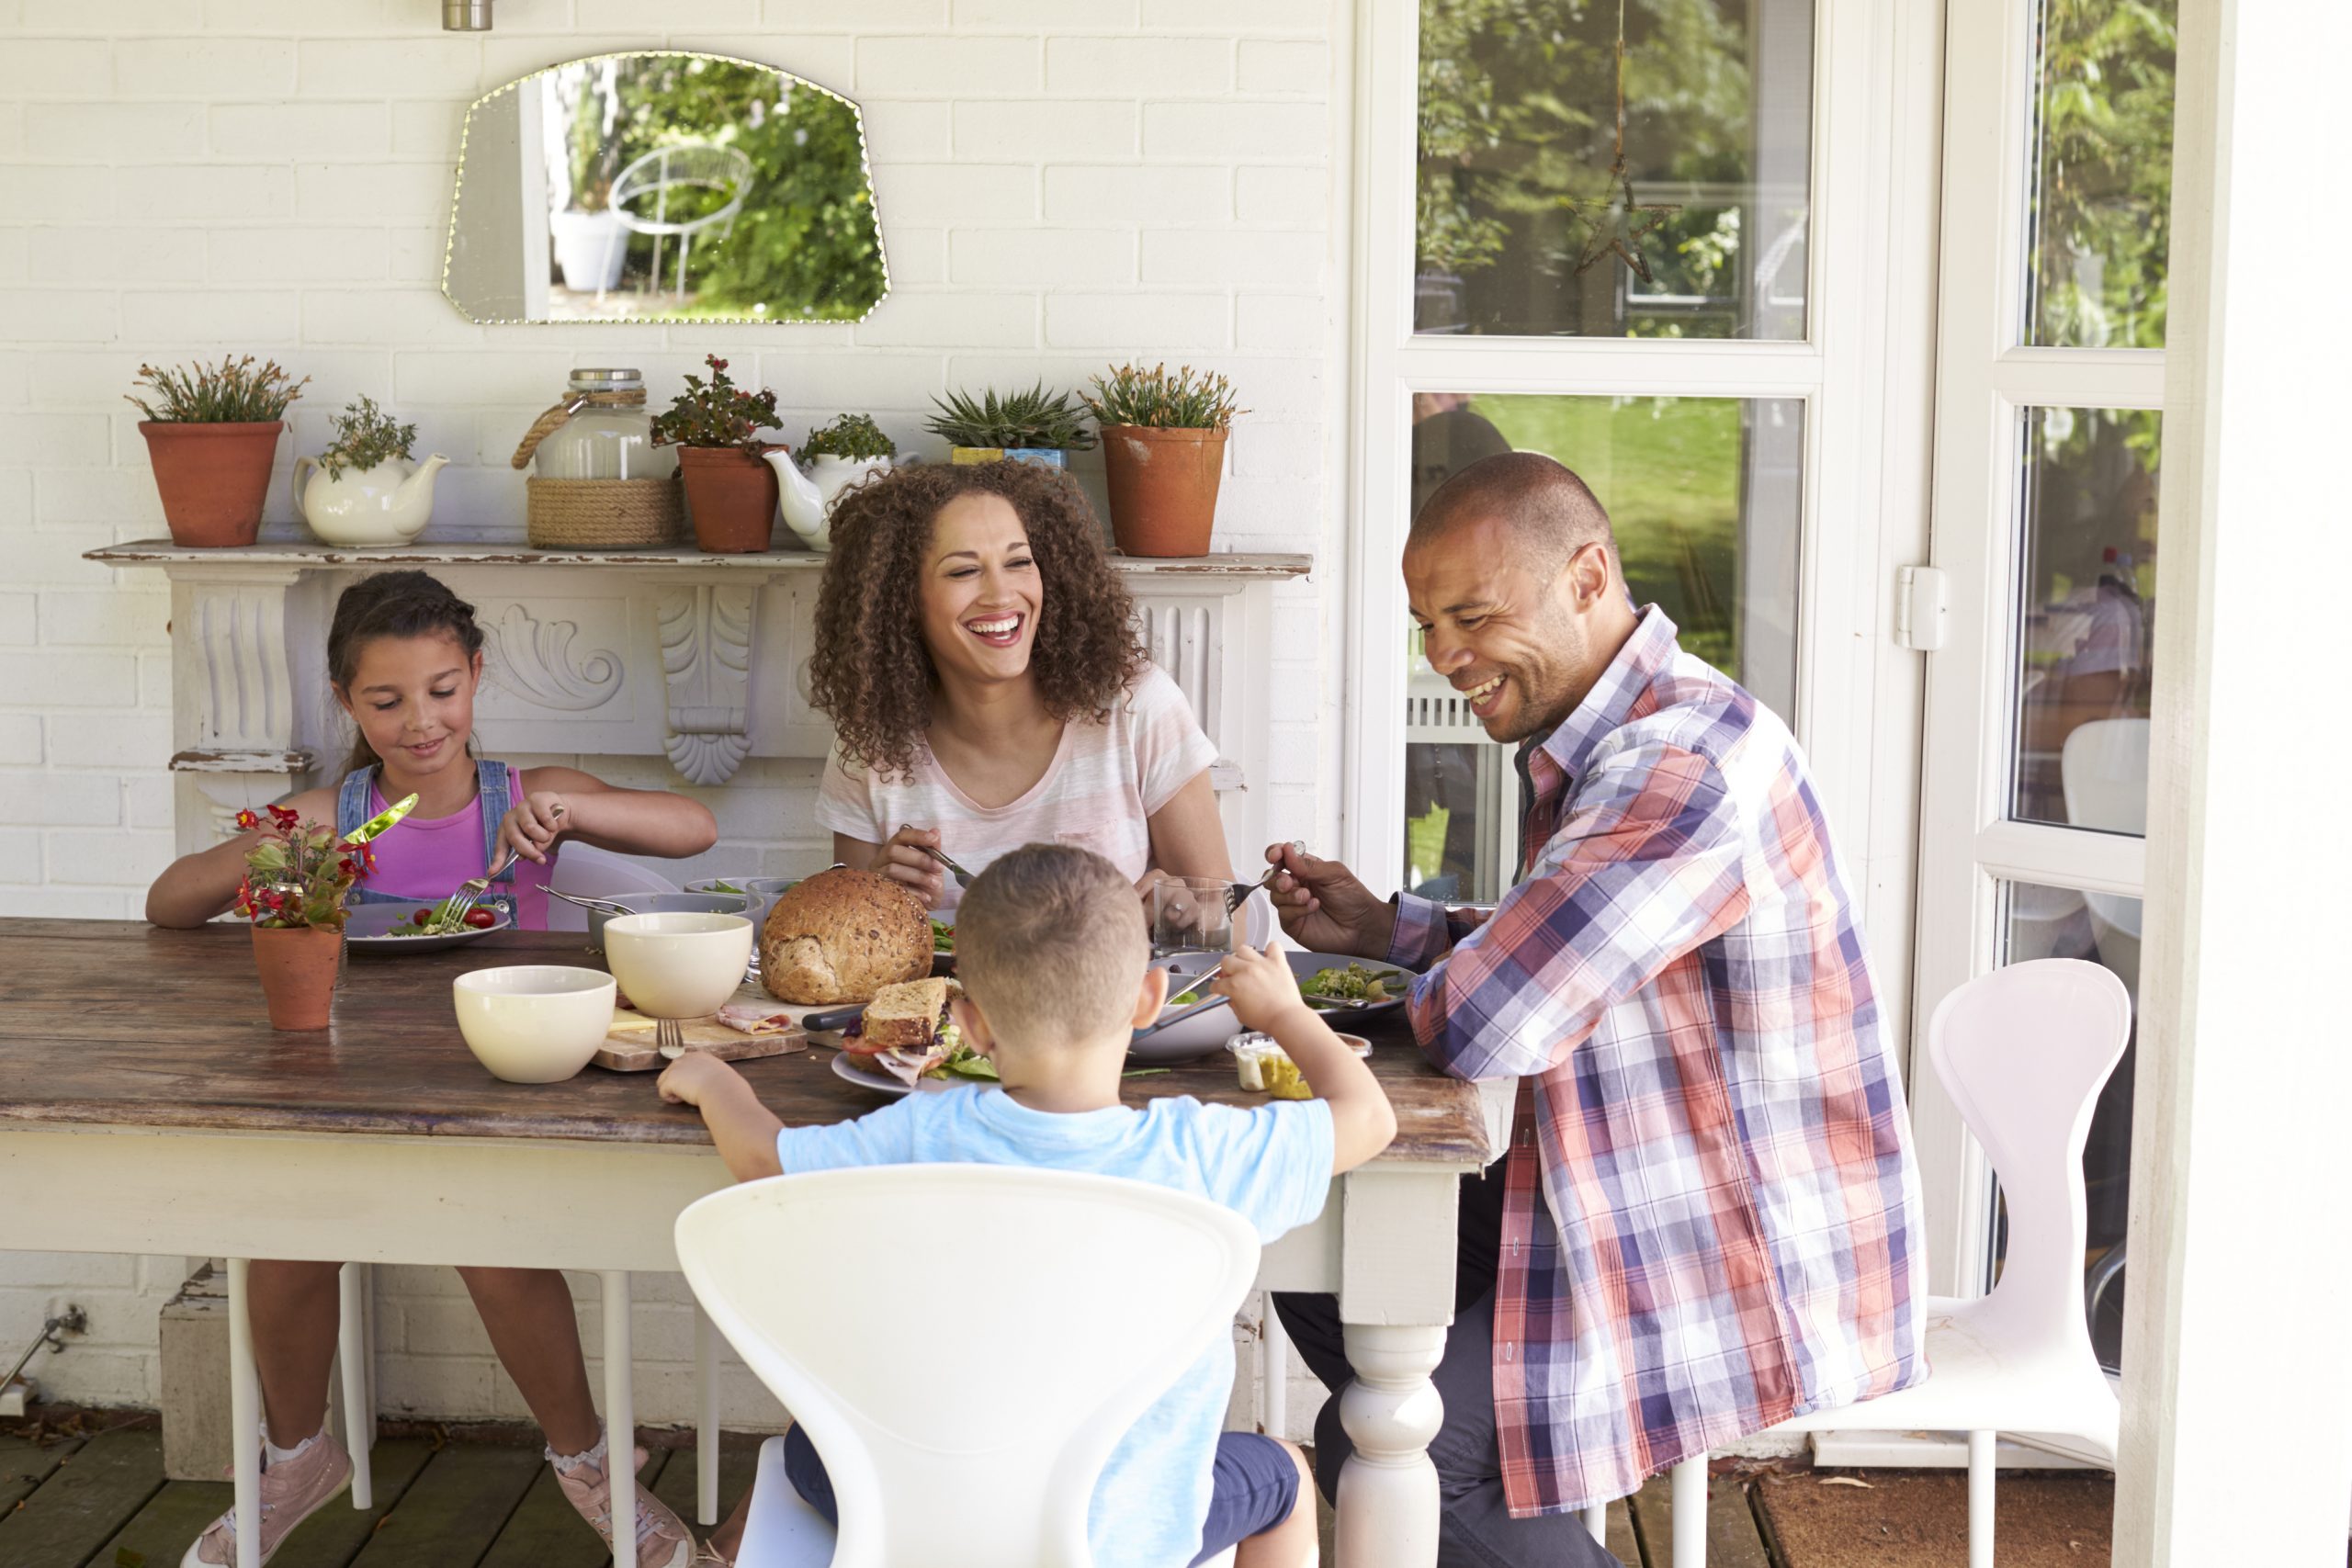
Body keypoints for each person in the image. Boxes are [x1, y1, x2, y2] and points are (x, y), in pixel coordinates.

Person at [1264, 452, 1926, 1567]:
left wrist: (1312, 1001)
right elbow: (1571, 947)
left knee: (1406, 1448)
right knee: (1324, 1254)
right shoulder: (1625, 739)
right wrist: (1392, 929)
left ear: (1586, 576)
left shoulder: (1678, 764)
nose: (1443, 656)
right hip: (1620, 1186)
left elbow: (1493, 1021)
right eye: (1426, 624)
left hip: (1721, 1234)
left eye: (1470, 615)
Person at [146, 570, 719, 1568]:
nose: (421, 722)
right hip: (353, 1088)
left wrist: (573, 820)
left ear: (477, 679)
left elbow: (691, 829)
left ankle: (588, 1464)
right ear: (344, 702)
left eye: (443, 691)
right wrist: (278, 850)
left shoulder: (525, 799)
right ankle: (295, 1456)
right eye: (387, 700)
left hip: (500, 1085)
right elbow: (169, 902)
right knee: (278, 1234)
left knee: (491, 1242)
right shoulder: (337, 810)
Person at [659, 843, 1397, 1568]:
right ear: (1149, 998)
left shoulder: (921, 1133)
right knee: (1288, 1475)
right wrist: (1286, 1014)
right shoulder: (1197, 1154)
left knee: (807, 1441)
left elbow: (764, 1159)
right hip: (1122, 1542)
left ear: (970, 1023)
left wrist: (714, 1080)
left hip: (929, 1526)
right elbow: (1370, 1117)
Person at [807, 460, 1233, 917]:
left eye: (1018, 562)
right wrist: (877, 900)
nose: (1002, 594)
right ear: (903, 600)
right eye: (963, 571)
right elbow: (849, 956)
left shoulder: (1137, 708)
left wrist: (1181, 914)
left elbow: (1233, 920)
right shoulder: (870, 748)